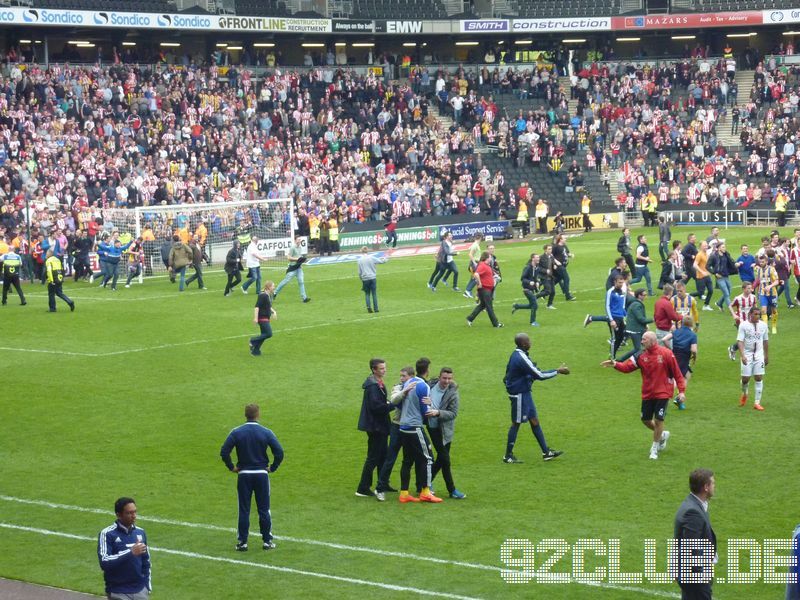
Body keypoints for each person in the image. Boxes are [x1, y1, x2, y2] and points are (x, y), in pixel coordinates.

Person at [602, 331, 686, 460]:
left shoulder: (666, 354)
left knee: (658, 419)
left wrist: (681, 391)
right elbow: (627, 368)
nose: (641, 342)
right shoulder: (640, 355)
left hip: (663, 392)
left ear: (653, 341)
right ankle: (662, 435)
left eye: (644, 339)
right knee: (646, 420)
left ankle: (654, 448)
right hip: (648, 392)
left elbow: (677, 373)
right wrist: (615, 364)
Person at [220, 403, 284, 551]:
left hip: (244, 475)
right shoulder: (266, 432)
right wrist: (272, 468)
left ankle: (243, 542)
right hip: (261, 475)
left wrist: (232, 467)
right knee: (264, 509)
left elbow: (224, 452)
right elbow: (279, 452)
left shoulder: (237, 432)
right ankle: (267, 541)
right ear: (258, 415)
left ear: (245, 415)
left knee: (244, 509)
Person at [503, 332, 568, 463]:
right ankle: (508, 456)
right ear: (523, 344)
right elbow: (539, 375)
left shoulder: (518, 354)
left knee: (534, 421)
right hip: (519, 394)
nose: (530, 343)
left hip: (524, 392)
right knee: (516, 423)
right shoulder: (520, 358)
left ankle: (546, 452)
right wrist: (558, 371)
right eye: (528, 341)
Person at [398, 357, 441, 503]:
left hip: (403, 427)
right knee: (428, 459)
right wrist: (433, 407)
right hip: (414, 427)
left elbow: (399, 404)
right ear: (427, 370)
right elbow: (426, 412)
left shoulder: (408, 382)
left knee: (407, 460)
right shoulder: (424, 386)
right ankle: (426, 492)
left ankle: (404, 494)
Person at [673, 469, 717, 600]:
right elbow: (690, 547)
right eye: (713, 483)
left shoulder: (695, 504)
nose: (714, 486)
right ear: (706, 487)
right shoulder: (693, 512)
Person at [98, 497, 152, 600]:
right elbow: (104, 562)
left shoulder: (140, 532)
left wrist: (147, 586)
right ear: (118, 515)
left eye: (135, 512)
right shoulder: (107, 534)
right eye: (129, 513)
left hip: (140, 591)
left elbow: (146, 562)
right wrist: (130, 553)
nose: (134, 516)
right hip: (118, 591)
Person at [426, 366, 466, 500]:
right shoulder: (429, 386)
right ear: (439, 377)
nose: (446, 381)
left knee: (442, 458)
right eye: (444, 378)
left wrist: (438, 413)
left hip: (445, 430)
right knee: (445, 460)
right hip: (433, 427)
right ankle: (452, 490)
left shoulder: (453, 393)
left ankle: (425, 482)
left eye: (449, 378)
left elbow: (453, 414)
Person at [375, 366, 414, 501]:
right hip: (397, 427)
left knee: (410, 459)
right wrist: (405, 391)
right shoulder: (398, 387)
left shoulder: (418, 387)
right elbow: (394, 400)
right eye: (401, 376)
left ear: (411, 377)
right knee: (390, 458)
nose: (401, 378)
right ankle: (380, 488)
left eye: (404, 376)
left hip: (411, 428)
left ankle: (419, 489)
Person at [357, 358, 394, 498]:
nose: (384, 370)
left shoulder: (375, 382)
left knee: (383, 455)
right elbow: (376, 407)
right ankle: (363, 487)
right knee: (373, 457)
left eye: (385, 368)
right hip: (376, 427)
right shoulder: (373, 386)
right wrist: (394, 405)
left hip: (378, 426)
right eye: (382, 368)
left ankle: (382, 483)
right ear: (374, 369)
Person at [737, 306, 768, 411]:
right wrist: (742, 356)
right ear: (750, 314)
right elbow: (740, 341)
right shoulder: (743, 325)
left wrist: (766, 355)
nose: (757, 316)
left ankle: (757, 402)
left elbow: (765, 341)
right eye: (755, 314)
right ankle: (745, 394)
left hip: (759, 354)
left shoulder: (763, 325)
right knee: (745, 379)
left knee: (758, 377)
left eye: (759, 314)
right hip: (747, 354)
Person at [668, 316, 698, 410]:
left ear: (682, 323)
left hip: (675, 356)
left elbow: (665, 339)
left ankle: (679, 398)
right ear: (691, 324)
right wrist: (694, 357)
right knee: (678, 378)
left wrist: (670, 349)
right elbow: (694, 349)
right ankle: (665, 396)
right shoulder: (692, 335)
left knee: (687, 375)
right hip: (684, 358)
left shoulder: (676, 331)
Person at [466, 252, 503, 328]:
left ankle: (470, 318)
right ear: (486, 258)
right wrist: (479, 283)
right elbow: (476, 274)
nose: (491, 258)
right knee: (489, 307)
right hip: (485, 290)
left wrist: (495, 277)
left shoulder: (486, 265)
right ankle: (496, 324)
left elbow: (490, 274)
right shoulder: (482, 265)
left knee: (482, 305)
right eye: (490, 257)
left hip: (488, 289)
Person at [617, 289, 652, 361]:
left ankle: (644, 360)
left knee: (644, 347)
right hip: (635, 330)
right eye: (644, 295)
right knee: (637, 348)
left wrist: (645, 325)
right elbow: (641, 319)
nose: (646, 297)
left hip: (636, 329)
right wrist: (653, 320)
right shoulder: (637, 305)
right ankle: (620, 360)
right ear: (639, 296)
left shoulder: (636, 304)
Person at [274, 235, 310, 303]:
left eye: (300, 239)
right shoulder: (292, 248)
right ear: (295, 240)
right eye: (298, 239)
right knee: (285, 281)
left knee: (301, 282)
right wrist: (298, 259)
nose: (299, 241)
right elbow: (289, 258)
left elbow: (298, 257)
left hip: (298, 268)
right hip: (292, 268)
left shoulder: (300, 247)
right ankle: (275, 293)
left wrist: (301, 261)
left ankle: (304, 298)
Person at [727, 281, 756, 361]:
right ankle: (745, 355)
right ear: (743, 289)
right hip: (741, 322)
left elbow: (755, 308)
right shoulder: (738, 298)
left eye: (751, 288)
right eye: (748, 288)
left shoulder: (753, 297)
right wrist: (734, 315)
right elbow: (730, 306)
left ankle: (733, 348)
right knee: (745, 338)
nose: (750, 290)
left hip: (750, 321)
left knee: (747, 339)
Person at [512, 253, 541, 327]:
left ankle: (517, 306)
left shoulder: (536, 267)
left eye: (538, 257)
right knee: (535, 305)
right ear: (532, 259)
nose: (538, 259)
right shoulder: (528, 267)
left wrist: (537, 282)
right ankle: (532, 322)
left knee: (531, 305)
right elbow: (522, 278)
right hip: (526, 289)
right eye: (537, 257)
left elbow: (536, 278)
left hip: (532, 289)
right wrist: (529, 282)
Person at [249, 281, 277, 357]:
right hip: (262, 317)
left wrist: (273, 311)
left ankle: (255, 351)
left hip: (265, 317)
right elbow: (257, 306)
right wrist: (255, 318)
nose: (274, 287)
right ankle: (253, 340)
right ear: (269, 287)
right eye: (273, 286)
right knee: (269, 333)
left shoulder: (267, 295)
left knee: (263, 335)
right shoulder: (263, 295)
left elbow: (268, 306)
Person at [754, 253, 779, 334]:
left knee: (774, 311)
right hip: (762, 293)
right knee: (763, 310)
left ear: (766, 261)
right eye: (760, 262)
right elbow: (759, 281)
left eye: (762, 262)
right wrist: (755, 289)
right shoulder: (758, 270)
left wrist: (770, 286)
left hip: (772, 293)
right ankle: (765, 328)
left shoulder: (772, 269)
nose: (761, 263)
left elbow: (777, 281)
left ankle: (774, 326)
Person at [357, 246, 387, 313]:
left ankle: (368, 307)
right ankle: (376, 308)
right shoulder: (371, 258)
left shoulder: (359, 260)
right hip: (372, 277)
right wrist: (386, 258)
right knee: (374, 293)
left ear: (361, 251)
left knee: (367, 294)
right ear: (367, 251)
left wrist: (361, 278)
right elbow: (381, 261)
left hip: (365, 278)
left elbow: (359, 272)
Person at [708, 242, 736, 310]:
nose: (724, 248)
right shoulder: (713, 256)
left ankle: (719, 303)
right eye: (723, 247)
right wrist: (715, 273)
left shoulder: (726, 254)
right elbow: (707, 266)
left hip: (726, 276)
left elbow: (731, 261)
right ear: (719, 248)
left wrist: (735, 264)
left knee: (729, 291)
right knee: (726, 293)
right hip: (719, 278)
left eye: (724, 247)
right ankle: (731, 309)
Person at [654, 284, 683, 348]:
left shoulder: (658, 302)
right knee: (669, 351)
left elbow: (655, 315)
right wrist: (682, 316)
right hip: (664, 330)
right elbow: (674, 317)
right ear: (671, 292)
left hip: (658, 329)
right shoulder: (667, 303)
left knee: (660, 350)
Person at [694, 241, 714, 310]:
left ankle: (706, 305)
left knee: (711, 290)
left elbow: (707, 265)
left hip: (707, 275)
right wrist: (702, 271)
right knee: (701, 292)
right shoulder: (699, 255)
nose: (706, 247)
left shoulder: (706, 253)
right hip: (700, 276)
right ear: (700, 247)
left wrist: (710, 271)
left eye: (706, 245)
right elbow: (695, 265)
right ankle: (688, 296)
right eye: (704, 246)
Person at [462, 233, 483, 299]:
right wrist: (474, 263)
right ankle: (468, 291)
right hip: (474, 264)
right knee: (476, 278)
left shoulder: (475, 244)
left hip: (475, 263)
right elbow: (470, 254)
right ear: (480, 238)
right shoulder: (475, 245)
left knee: (473, 278)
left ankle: (467, 292)